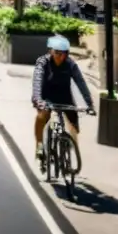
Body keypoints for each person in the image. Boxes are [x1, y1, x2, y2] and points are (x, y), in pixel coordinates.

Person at [31, 35, 95, 163]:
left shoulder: (70, 64)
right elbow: (37, 81)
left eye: (64, 54)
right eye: (57, 53)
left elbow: (81, 83)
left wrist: (89, 104)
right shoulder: (43, 62)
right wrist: (38, 99)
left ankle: (68, 148)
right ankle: (39, 146)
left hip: (65, 97)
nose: (61, 57)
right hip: (46, 97)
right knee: (42, 117)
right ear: (50, 51)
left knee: (74, 125)